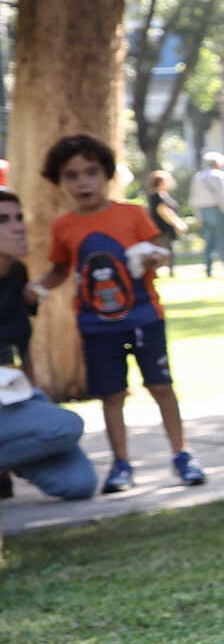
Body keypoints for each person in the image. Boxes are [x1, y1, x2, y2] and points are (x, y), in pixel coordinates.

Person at [33, 135, 207, 491]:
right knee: (111, 395)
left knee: (160, 386)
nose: (83, 182)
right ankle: (121, 464)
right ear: (59, 181)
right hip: (96, 325)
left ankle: (182, 454)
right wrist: (35, 289)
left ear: (107, 175)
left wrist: (155, 257)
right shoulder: (63, 226)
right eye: (72, 175)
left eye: (91, 172)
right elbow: (61, 269)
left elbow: (160, 253)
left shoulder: (131, 215)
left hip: (144, 318)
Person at [0, 188, 100, 505]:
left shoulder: (16, 274)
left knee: (79, 483)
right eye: (3, 220)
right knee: (67, 425)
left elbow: (22, 345)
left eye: (19, 217)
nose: (18, 226)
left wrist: (33, 396)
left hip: (15, 395)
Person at [188, 155, 224, 278]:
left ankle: (209, 270)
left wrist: (198, 217)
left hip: (203, 212)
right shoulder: (220, 175)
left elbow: (193, 199)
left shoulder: (198, 177)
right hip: (217, 211)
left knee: (208, 242)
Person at [143, 172, 190, 265]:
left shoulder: (163, 194)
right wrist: (178, 223)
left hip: (166, 227)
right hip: (160, 227)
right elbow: (163, 211)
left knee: (168, 248)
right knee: (163, 248)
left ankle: (170, 269)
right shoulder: (156, 195)